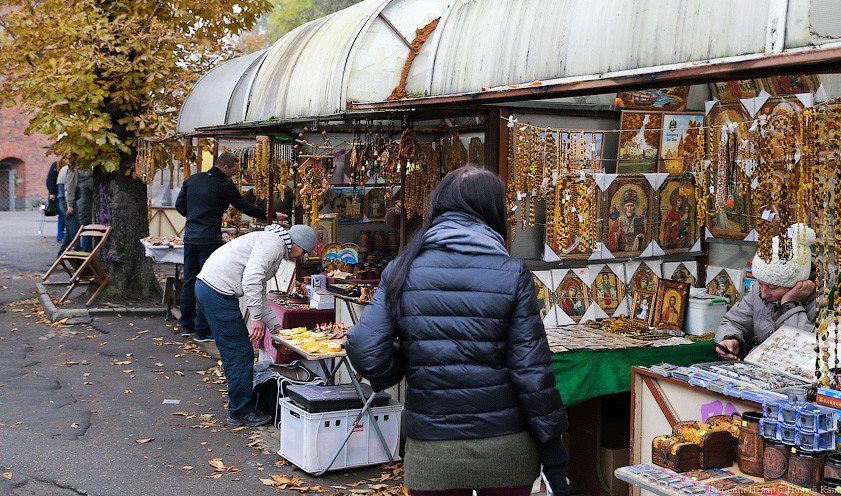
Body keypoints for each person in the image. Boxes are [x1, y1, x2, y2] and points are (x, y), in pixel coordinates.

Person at [346, 167, 570, 496]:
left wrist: (406, 363)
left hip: (433, 450)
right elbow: (531, 372)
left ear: (439, 206)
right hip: (506, 448)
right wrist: (553, 452)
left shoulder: (403, 268)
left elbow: (365, 349)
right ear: (493, 210)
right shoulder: (512, 273)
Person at [195, 223, 316, 427]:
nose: (301, 256)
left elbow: (259, 290)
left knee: (237, 351)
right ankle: (240, 411)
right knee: (239, 352)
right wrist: (257, 319)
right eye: (304, 251)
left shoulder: (272, 244)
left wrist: (275, 327)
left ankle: (241, 404)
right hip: (217, 292)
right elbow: (251, 280)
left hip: (212, 289)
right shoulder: (274, 245)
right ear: (297, 244)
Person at [175, 152, 286, 342]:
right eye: (233, 169)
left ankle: (186, 325)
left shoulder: (193, 180)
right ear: (225, 167)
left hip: (191, 236)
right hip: (209, 238)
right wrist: (273, 216)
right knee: (208, 280)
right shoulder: (224, 185)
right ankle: (202, 330)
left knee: (190, 280)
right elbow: (245, 207)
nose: (234, 173)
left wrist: (195, 216)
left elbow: (180, 206)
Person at [715, 223, 817, 360]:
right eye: (760, 283)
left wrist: (790, 304)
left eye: (773, 288)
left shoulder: (827, 298)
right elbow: (734, 322)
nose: (763, 293)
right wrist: (732, 339)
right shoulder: (762, 289)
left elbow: (806, 349)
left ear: (799, 283)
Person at [607, 188, 645, 253]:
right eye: (628, 206)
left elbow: (644, 234)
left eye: (632, 205)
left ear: (634, 207)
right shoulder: (620, 219)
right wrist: (617, 235)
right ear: (625, 207)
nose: (630, 208)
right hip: (623, 247)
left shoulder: (639, 219)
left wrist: (640, 236)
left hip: (635, 246)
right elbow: (611, 234)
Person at [56, 160, 80, 257]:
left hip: (63, 200)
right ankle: (78, 251)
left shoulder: (64, 169)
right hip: (68, 201)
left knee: (70, 229)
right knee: (74, 228)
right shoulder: (72, 170)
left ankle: (61, 254)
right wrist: (70, 204)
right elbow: (70, 187)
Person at [76, 169, 94, 251]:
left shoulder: (79, 180)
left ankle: (83, 249)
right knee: (88, 228)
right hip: (86, 207)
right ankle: (86, 250)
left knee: (84, 228)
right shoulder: (89, 180)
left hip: (80, 206)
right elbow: (95, 191)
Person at [45, 160, 62, 239]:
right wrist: (52, 193)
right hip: (58, 194)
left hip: (60, 193)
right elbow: (50, 179)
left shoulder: (57, 164)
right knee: (62, 214)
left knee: (63, 215)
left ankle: (61, 234)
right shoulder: (56, 164)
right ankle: (60, 235)